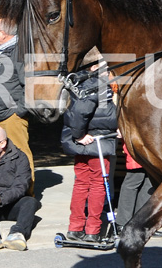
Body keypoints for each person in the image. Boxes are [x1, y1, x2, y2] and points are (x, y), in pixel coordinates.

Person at [61, 61, 117, 242]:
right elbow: (79, 112)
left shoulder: (85, 84)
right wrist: (79, 135)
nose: (108, 70)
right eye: (105, 66)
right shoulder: (97, 84)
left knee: (82, 183)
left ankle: (75, 228)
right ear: (93, 67)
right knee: (97, 185)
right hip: (96, 142)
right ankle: (92, 230)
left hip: (92, 141)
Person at [0, 18, 33, 194]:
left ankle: (27, 195)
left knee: (20, 154)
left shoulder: (19, 53)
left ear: (4, 34)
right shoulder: (2, 52)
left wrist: (19, 111)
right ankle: (5, 193)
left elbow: (30, 85)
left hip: (12, 116)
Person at [115, 142, 153, 233]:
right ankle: (122, 223)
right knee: (134, 180)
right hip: (137, 141)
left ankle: (140, 223)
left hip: (153, 144)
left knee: (150, 182)